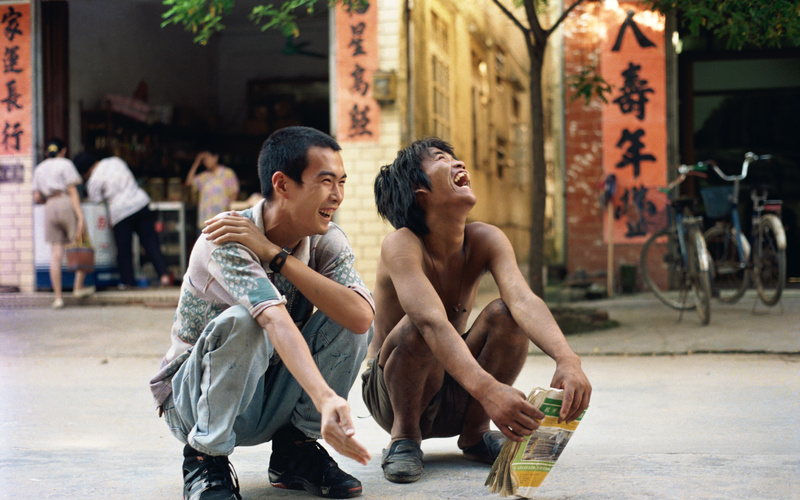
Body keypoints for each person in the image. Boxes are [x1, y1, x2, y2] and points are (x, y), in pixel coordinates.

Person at [149, 126, 374, 500]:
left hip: (265, 395)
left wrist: (275, 255)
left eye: (342, 182)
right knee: (248, 320)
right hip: (192, 400)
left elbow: (361, 318)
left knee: (349, 313)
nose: (337, 196)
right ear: (282, 185)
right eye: (325, 182)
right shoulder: (227, 234)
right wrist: (325, 398)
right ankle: (205, 458)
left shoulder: (326, 238)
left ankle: (295, 451)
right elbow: (272, 318)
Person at [363, 138, 592, 484]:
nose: (459, 164)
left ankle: (475, 431)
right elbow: (430, 323)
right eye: (441, 159)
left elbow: (523, 301)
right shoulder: (401, 244)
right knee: (418, 325)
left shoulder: (486, 239)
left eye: (456, 157)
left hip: (454, 381)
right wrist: (489, 390)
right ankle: (404, 438)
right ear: (417, 189)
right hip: (392, 392)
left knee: (506, 315)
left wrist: (567, 359)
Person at [74, 152, 172, 288]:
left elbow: (95, 202)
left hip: (120, 213)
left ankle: (127, 282)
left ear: (84, 172)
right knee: (151, 243)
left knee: (124, 250)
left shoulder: (94, 180)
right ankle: (164, 276)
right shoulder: (115, 161)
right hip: (140, 203)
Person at [32, 139, 94, 308]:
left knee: (56, 253)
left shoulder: (39, 168)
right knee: (79, 242)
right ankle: (78, 287)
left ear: (47, 152)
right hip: (65, 202)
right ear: (64, 151)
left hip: (49, 206)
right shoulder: (65, 164)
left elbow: (37, 197)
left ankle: (58, 297)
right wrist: (80, 216)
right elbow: (73, 190)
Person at [185, 149, 240, 231]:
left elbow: (235, 191)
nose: (205, 162)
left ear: (215, 157)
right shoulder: (203, 176)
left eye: (207, 158)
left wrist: (229, 214)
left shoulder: (227, 173)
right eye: (203, 160)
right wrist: (197, 162)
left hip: (222, 220)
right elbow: (188, 183)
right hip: (205, 222)